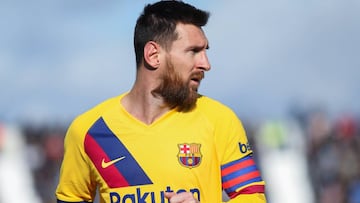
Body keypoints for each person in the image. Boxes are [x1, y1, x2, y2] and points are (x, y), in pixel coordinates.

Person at [55, 1, 266, 202]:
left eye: (205, 51)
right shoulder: (89, 131)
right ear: (153, 55)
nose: (206, 64)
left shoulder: (219, 120)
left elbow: (253, 197)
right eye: (193, 51)